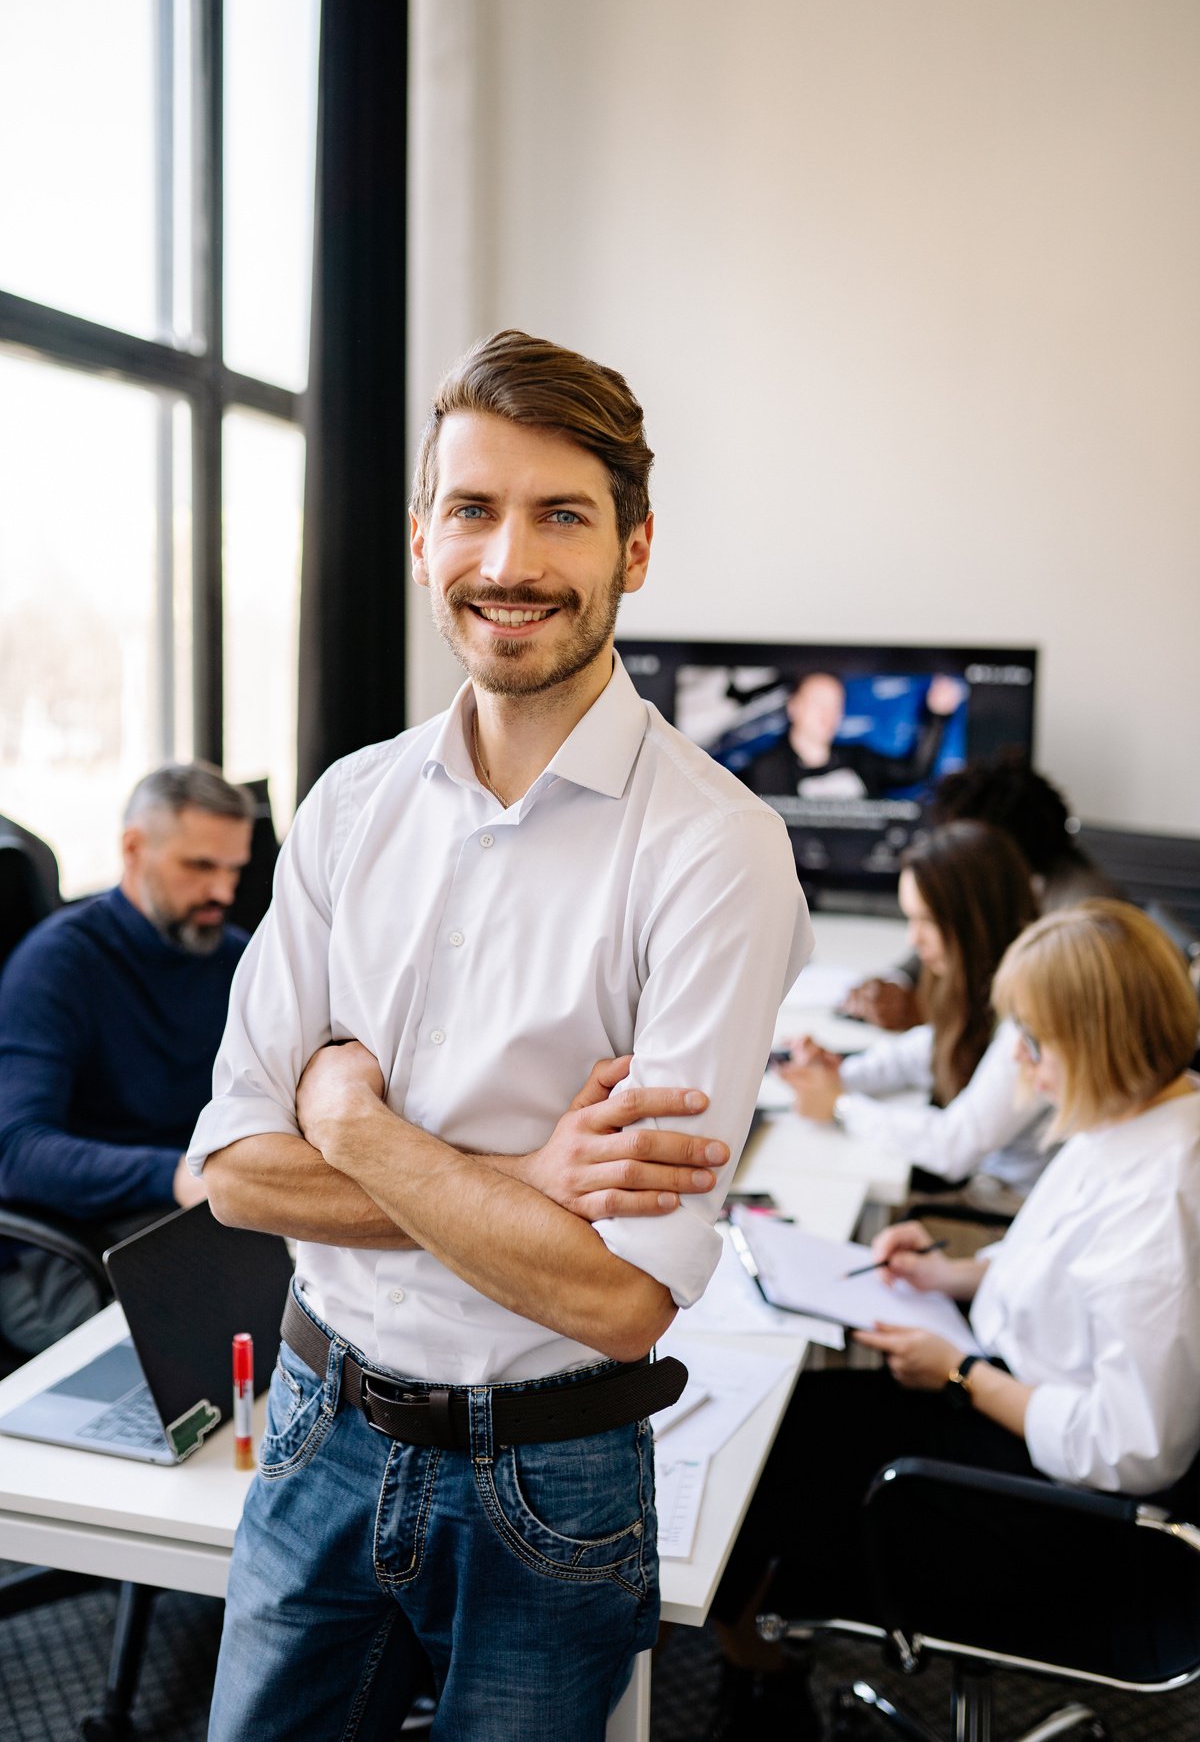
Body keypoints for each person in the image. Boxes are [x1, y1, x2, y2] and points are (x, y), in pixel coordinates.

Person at [188, 329, 813, 1740]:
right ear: (423, 540)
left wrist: (351, 1123)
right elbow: (233, 1170)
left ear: (635, 550)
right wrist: (526, 1184)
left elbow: (620, 1299)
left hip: (553, 1469)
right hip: (314, 1423)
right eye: (473, 510)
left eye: (562, 515)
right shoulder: (352, 806)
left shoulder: (716, 851)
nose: (509, 560)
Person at [707, 898, 1200, 1738]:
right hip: (1009, 1411)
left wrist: (963, 1375)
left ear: (1097, 1042)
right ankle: (755, 1656)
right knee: (789, 1424)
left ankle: (759, 1673)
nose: (1027, 1071)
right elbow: (1065, 1268)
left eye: (1033, 1045)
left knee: (766, 1472)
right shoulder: (1142, 1114)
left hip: (1061, 1513)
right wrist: (955, 1272)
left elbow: (1132, 1449)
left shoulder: (1164, 1202)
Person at [0, 763, 253, 1355]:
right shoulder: (59, 966)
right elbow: (15, 1151)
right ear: (134, 849)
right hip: (65, 1251)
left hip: (191, 1222)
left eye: (234, 869)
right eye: (200, 867)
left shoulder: (237, 957)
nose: (223, 892)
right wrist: (172, 1174)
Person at [777, 821, 1052, 1207]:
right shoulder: (984, 976)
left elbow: (956, 1146)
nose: (913, 938)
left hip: (1002, 1207)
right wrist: (838, 1074)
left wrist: (839, 1105)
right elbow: (927, 1048)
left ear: (975, 921)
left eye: (927, 921)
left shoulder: (1034, 1008)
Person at [843, 755, 1114, 1030]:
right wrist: (895, 983)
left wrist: (928, 1012)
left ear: (991, 852)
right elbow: (947, 936)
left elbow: (1038, 1023)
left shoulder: (1085, 923)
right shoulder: (1010, 879)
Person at [738, 669, 965, 802]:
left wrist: (937, 715)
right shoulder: (763, 769)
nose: (827, 714)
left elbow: (914, 771)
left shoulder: (858, 758)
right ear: (794, 707)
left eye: (834, 705)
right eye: (818, 703)